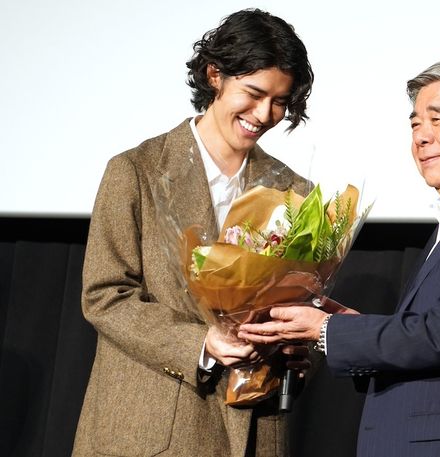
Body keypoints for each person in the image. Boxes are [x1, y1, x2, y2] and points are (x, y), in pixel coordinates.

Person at [238, 57, 440, 456]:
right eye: (415, 124)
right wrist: (347, 325)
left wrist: (326, 330)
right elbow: (431, 332)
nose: (421, 138)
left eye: (437, 120)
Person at [73, 8, 314, 457]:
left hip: (253, 430)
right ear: (214, 75)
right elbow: (105, 295)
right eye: (254, 93)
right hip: (150, 430)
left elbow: (298, 305)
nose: (264, 114)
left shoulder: (295, 191)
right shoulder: (136, 171)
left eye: (280, 101)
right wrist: (202, 343)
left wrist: (297, 352)